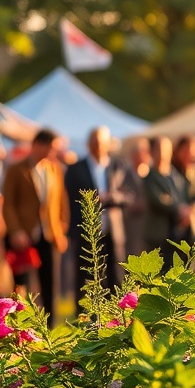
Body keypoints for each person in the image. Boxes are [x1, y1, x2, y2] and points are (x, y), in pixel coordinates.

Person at [1, 129, 70, 326]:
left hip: (48, 235)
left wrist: (61, 229)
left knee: (50, 283)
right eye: (52, 148)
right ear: (39, 145)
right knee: (20, 286)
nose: (54, 152)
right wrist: (16, 231)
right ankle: (17, 326)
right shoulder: (16, 170)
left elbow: (61, 202)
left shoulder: (54, 169)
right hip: (23, 237)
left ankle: (50, 327)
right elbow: (9, 204)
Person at [64, 125, 134, 304]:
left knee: (114, 275)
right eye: (94, 142)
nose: (98, 146)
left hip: (112, 229)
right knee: (84, 277)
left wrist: (109, 197)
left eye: (101, 142)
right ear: (88, 144)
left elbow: (129, 195)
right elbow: (69, 200)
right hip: (85, 231)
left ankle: (115, 319)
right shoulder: (75, 169)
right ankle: (82, 319)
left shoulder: (118, 165)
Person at [143, 135, 189, 268]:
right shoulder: (150, 176)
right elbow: (157, 199)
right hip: (157, 234)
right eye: (159, 150)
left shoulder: (176, 175)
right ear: (153, 152)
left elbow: (183, 196)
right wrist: (180, 209)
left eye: (165, 150)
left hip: (176, 233)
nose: (162, 154)